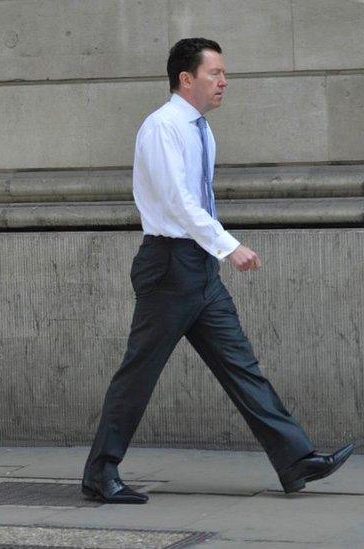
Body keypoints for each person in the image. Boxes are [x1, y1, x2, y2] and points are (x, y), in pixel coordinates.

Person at [81, 38, 354, 503]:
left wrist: (214, 253)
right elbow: (177, 202)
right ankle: (99, 473)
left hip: (197, 268)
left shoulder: (201, 129)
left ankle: (295, 458)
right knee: (139, 373)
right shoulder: (163, 126)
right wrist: (229, 246)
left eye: (224, 73)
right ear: (186, 79)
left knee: (241, 365)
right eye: (215, 73)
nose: (224, 81)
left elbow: (196, 199)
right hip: (169, 266)